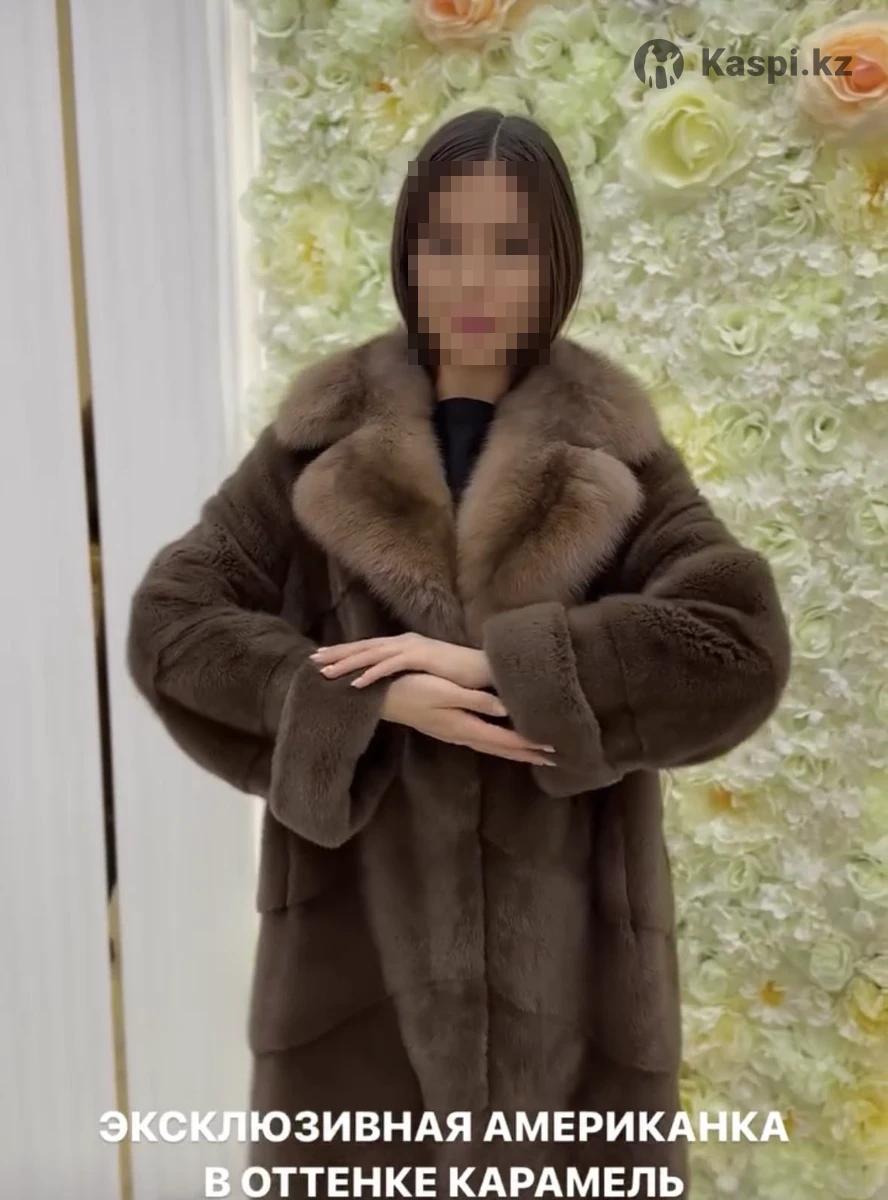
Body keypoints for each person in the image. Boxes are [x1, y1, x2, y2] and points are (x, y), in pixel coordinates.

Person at [126, 108, 792, 1197]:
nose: (473, 279)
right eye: (446, 243)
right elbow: (175, 622)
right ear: (408, 251)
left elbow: (736, 642)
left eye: (511, 245)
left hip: (575, 1005)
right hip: (356, 987)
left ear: (556, 258)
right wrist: (367, 695)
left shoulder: (611, 446)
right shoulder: (321, 439)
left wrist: (508, 674)